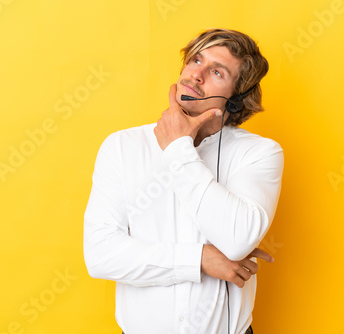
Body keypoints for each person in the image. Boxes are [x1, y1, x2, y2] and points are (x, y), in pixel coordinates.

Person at [84, 28, 284, 334]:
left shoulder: (258, 153)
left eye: (216, 71)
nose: (196, 75)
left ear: (237, 98)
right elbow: (100, 255)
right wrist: (200, 259)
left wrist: (179, 148)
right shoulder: (122, 146)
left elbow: (237, 238)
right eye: (195, 60)